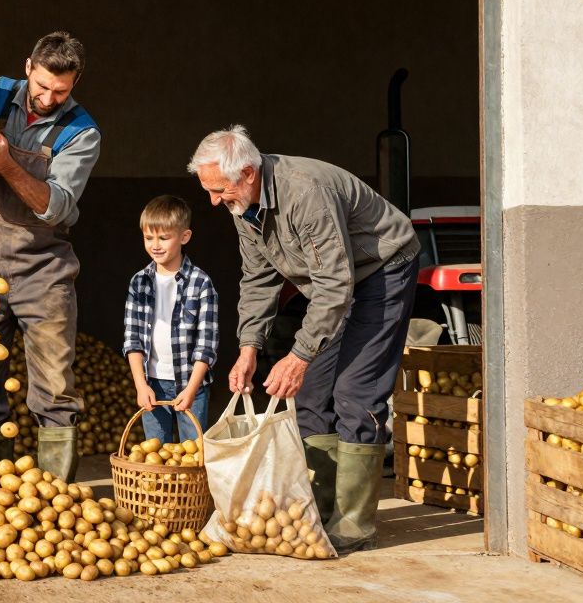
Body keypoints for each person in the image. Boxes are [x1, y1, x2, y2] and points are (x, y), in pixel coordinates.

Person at [189, 124, 419, 553]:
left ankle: (354, 525)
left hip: (383, 268)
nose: (214, 200)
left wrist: (298, 355)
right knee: (312, 394)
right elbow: (258, 279)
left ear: (248, 174)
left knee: (356, 391)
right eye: (209, 190)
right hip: (335, 282)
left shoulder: (304, 192)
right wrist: (249, 349)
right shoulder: (243, 207)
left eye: (219, 189)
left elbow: (335, 284)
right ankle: (317, 507)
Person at [0, 31, 101, 481]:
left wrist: (5, 166)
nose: (48, 97)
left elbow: (56, 205)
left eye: (61, 90)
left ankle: (53, 497)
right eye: (42, 86)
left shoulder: (82, 132)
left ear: (75, 83)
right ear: (27, 67)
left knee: (55, 388)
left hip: (43, 269)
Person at [122, 195, 219, 442]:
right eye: (148, 237)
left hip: (191, 384)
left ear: (184, 237)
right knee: (155, 452)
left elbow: (206, 345)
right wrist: (140, 385)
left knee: (193, 454)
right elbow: (132, 339)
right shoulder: (139, 282)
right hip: (152, 382)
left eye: (164, 238)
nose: (155, 245)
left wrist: (192, 387)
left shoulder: (201, 283)